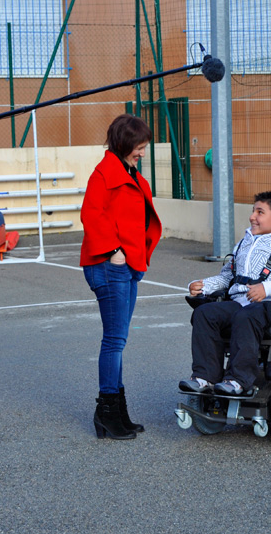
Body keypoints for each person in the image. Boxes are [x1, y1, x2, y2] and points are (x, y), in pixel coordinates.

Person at [179, 191, 271, 396]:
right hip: (243, 302)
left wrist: (267, 288)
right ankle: (205, 377)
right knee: (204, 313)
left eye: (260, 212)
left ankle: (238, 380)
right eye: (253, 211)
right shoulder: (245, 242)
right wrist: (204, 285)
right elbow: (228, 276)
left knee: (247, 315)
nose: (252, 216)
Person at [80, 114, 162, 440]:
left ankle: (117, 413)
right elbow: (91, 213)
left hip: (127, 266)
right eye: (139, 147)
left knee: (119, 341)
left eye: (144, 147)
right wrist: (114, 249)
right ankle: (107, 413)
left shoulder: (129, 173)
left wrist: (133, 257)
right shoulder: (105, 172)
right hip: (110, 264)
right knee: (114, 341)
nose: (142, 152)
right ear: (125, 143)